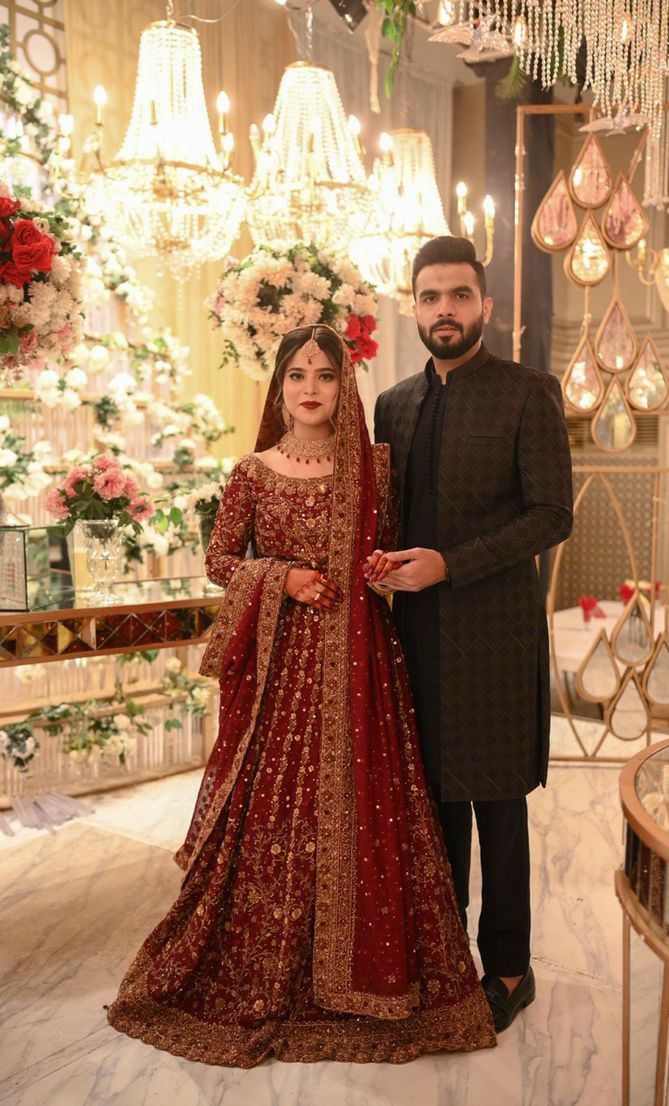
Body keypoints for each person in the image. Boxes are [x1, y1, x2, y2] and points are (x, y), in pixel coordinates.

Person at [107, 323, 495, 1066]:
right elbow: (224, 560)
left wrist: (378, 569)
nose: (310, 387)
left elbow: (386, 546)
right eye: (296, 375)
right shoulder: (253, 471)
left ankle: (366, 977)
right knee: (274, 809)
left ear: (343, 386)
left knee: (370, 803)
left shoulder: (373, 467)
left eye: (323, 374)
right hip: (282, 668)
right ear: (279, 386)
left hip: (363, 666)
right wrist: (279, 577)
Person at [367, 237, 573, 1032]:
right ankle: (443, 953)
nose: (443, 310)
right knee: (432, 802)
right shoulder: (393, 404)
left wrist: (449, 565)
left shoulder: (527, 393)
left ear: (484, 305)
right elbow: (386, 516)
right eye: (428, 297)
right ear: (411, 306)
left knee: (495, 804)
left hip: (494, 635)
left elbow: (551, 514)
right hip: (412, 634)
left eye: (458, 295)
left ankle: (510, 970)